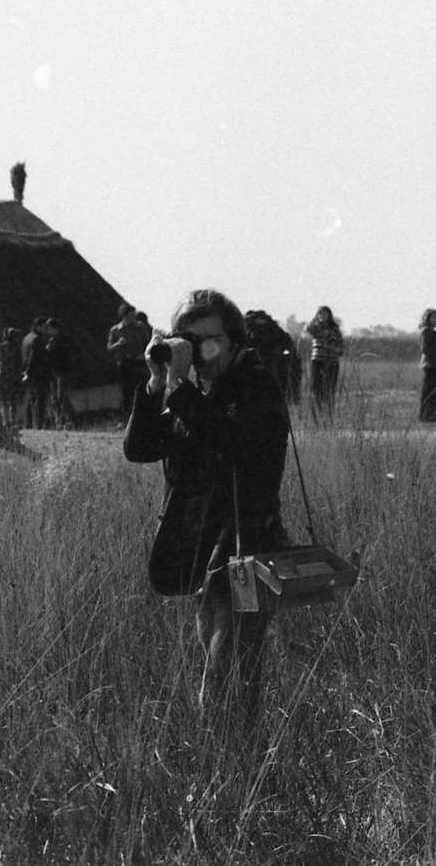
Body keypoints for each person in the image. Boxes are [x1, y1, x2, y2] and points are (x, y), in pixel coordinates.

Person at [124, 289, 290, 706]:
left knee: (225, 688)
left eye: (209, 340)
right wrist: (156, 383)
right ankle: (239, 765)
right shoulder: (197, 393)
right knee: (227, 683)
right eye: (189, 342)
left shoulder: (258, 387)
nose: (200, 353)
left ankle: (239, 769)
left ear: (235, 339)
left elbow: (235, 444)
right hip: (205, 555)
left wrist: (181, 389)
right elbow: (139, 448)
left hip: (248, 555)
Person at [107, 303, 151, 423]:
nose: (133, 317)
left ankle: (143, 418)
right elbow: (109, 348)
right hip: (125, 364)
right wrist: (118, 344)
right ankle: (127, 420)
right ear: (124, 316)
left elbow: (148, 342)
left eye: (134, 315)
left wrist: (144, 353)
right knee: (127, 392)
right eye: (131, 315)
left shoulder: (140, 327)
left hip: (139, 362)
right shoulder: (116, 330)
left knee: (142, 389)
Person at [243, 309, 296, 398]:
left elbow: (287, 345)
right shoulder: (271, 327)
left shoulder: (251, 328)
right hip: (266, 364)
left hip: (269, 363)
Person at [305, 306, 344, 421]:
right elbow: (308, 329)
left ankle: (329, 417)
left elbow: (340, 346)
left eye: (325, 314)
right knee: (316, 390)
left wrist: (333, 347)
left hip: (331, 361)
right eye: (320, 314)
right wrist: (315, 320)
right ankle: (316, 418)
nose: (322, 316)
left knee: (329, 391)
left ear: (329, 316)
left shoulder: (335, 329)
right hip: (318, 361)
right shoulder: (316, 328)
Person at [45, 318, 76, 429]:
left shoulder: (65, 340)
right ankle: (59, 421)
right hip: (53, 372)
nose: (49, 332)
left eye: (50, 329)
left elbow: (69, 356)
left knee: (61, 397)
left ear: (57, 329)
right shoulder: (51, 341)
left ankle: (71, 420)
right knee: (54, 399)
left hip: (62, 371)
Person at [21, 317, 50, 429]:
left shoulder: (26, 338)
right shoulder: (37, 339)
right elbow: (33, 358)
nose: (45, 329)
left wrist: (25, 372)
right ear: (37, 327)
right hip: (38, 373)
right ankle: (39, 424)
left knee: (30, 400)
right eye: (43, 327)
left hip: (28, 374)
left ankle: (28, 424)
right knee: (39, 400)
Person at [0, 327, 23, 429]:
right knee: (12, 401)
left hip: (2, 377)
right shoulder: (17, 348)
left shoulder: (0, 347)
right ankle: (13, 421)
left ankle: (5, 422)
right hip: (14, 377)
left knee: (4, 402)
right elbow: (20, 362)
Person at [418, 309, 436, 423]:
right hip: (429, 364)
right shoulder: (426, 331)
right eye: (433, 317)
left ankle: (429, 413)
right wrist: (434, 356)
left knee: (432, 390)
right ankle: (426, 414)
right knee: (429, 391)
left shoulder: (431, 331)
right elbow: (425, 348)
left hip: (433, 364)